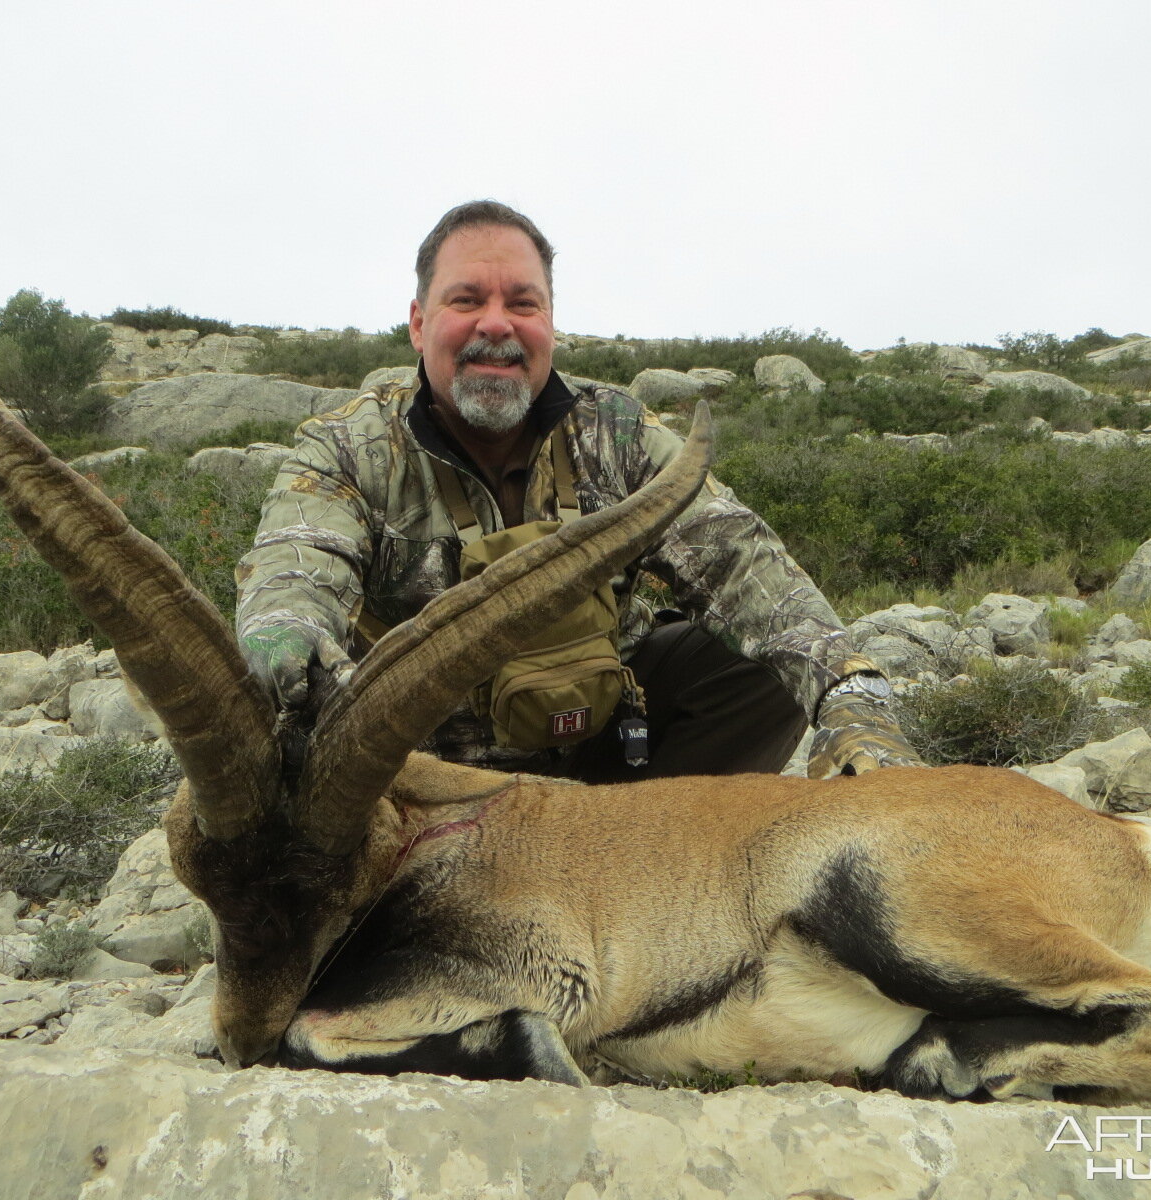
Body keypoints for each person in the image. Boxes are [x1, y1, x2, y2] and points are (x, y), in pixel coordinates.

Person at [235, 200, 922, 782]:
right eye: (466, 300)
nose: (497, 324)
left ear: (551, 326)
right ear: (419, 323)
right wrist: (280, 640)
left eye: (522, 304)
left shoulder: (617, 430)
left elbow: (741, 560)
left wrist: (848, 693)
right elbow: (296, 562)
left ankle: (661, 857)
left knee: (757, 664)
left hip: (604, 748)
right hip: (432, 784)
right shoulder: (346, 448)